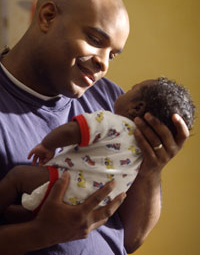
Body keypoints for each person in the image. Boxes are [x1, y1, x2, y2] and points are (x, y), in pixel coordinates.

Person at [0, 0, 189, 255]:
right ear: (47, 17)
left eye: (112, 55)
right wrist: (39, 234)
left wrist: (150, 171)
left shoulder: (111, 99)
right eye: (94, 39)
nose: (103, 63)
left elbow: (130, 240)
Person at [8, 77, 192, 213]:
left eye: (131, 89)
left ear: (136, 108)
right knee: (24, 212)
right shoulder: (143, 156)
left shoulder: (113, 122)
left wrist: (46, 145)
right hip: (88, 207)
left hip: (63, 185)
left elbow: (73, 131)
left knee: (18, 177)